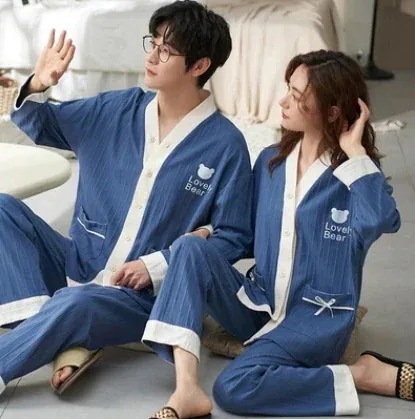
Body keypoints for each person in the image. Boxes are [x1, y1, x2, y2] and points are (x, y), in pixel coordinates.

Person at [0, 0, 253, 397]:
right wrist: (38, 85)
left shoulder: (226, 145)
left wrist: (157, 265)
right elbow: (42, 124)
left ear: (200, 66)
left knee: (78, 305)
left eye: (166, 51)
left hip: (140, 301)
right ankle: (50, 333)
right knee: (3, 209)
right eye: (152, 43)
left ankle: (47, 336)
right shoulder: (116, 109)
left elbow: (234, 236)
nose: (151, 56)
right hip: (78, 264)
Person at [142, 50, 411, 419]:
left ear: (332, 111)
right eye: (288, 89)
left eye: (297, 96)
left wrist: (354, 152)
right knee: (189, 247)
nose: (283, 101)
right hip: (260, 301)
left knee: (236, 386)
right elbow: (245, 235)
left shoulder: (355, 176)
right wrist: (205, 234)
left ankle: (362, 373)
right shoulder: (271, 162)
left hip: (315, 318)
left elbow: (383, 219)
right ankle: (186, 388)